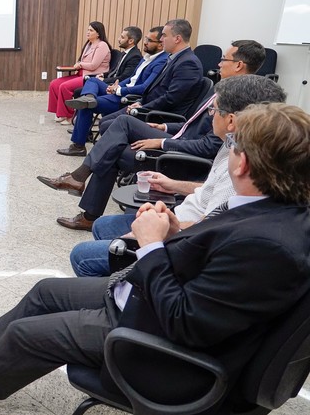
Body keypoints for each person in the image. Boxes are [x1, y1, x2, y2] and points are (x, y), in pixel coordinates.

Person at [0, 101, 310, 402]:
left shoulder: (267, 243)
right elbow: (212, 262)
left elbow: (186, 323)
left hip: (158, 343)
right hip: (145, 298)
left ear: (244, 165)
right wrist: (172, 233)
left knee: (25, 334)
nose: (229, 150)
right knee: (47, 292)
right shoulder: (267, 211)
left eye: (235, 145)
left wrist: (154, 245)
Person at [69, 73, 286, 276]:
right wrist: (173, 185)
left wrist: (155, 236)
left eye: (214, 111)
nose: (211, 116)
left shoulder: (242, 170)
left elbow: (209, 229)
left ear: (231, 120)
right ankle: (123, 276)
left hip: (183, 237)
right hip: (181, 217)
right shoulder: (232, 143)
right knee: (102, 225)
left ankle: (121, 297)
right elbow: (211, 190)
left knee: (81, 255)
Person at [38, 39, 266, 231]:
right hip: (178, 138)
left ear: (238, 65)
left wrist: (162, 142)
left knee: (119, 133)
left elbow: (208, 146)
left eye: (224, 59)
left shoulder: (238, 99)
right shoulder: (222, 89)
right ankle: (83, 199)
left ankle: (82, 191)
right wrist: (164, 128)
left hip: (183, 159)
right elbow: (192, 124)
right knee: (115, 139)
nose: (218, 63)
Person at [57, 26, 167, 156]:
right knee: (92, 81)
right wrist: (117, 86)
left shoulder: (161, 61)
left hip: (128, 98)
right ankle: (89, 97)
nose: (145, 42)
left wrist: (120, 90)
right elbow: (132, 78)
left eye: (149, 40)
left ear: (160, 45)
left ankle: (78, 146)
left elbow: (144, 87)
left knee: (85, 106)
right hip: (120, 90)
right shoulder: (147, 57)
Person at [97, 18, 204, 133]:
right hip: (148, 107)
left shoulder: (188, 64)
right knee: (104, 122)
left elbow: (171, 99)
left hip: (161, 116)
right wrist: (140, 102)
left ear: (177, 39)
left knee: (107, 126)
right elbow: (156, 90)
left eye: (164, 35)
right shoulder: (173, 58)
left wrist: (143, 107)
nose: (161, 40)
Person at [47, 21, 111, 124]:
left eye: (91, 30)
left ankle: (69, 116)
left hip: (91, 77)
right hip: (81, 73)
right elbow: (83, 61)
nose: (88, 32)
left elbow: (93, 65)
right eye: (88, 30)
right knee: (54, 83)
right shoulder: (89, 44)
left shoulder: (102, 46)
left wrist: (80, 64)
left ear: (98, 33)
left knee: (64, 86)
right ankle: (60, 113)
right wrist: (78, 64)